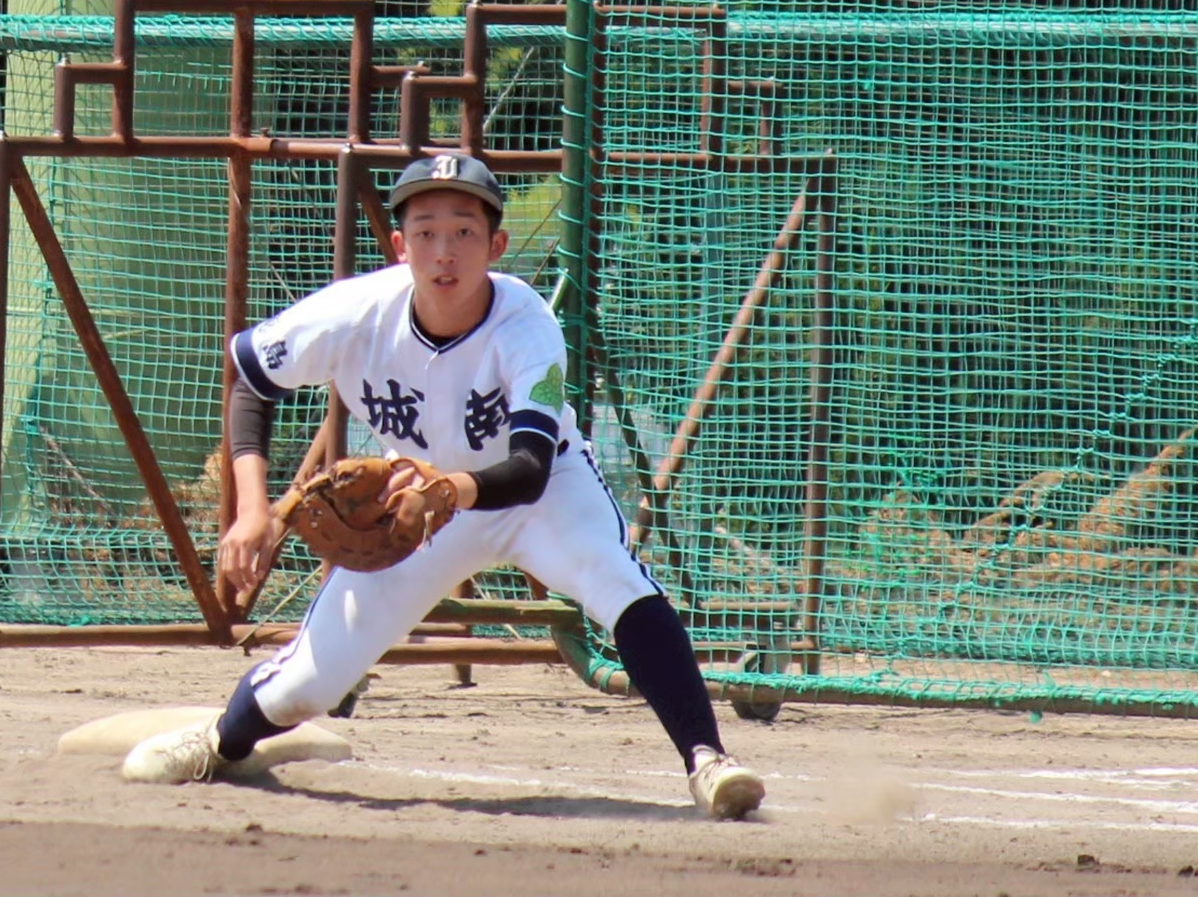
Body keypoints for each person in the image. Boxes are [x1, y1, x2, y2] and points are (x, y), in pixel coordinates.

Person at [125, 153, 766, 819]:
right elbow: (253, 379)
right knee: (308, 684)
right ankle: (221, 744)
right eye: (425, 231)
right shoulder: (354, 314)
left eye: (464, 231)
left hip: (543, 494)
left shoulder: (527, 327)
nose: (444, 251)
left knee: (616, 581)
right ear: (399, 245)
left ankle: (708, 760)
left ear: (497, 245)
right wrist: (253, 508)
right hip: (417, 507)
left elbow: (529, 469)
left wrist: (450, 490)